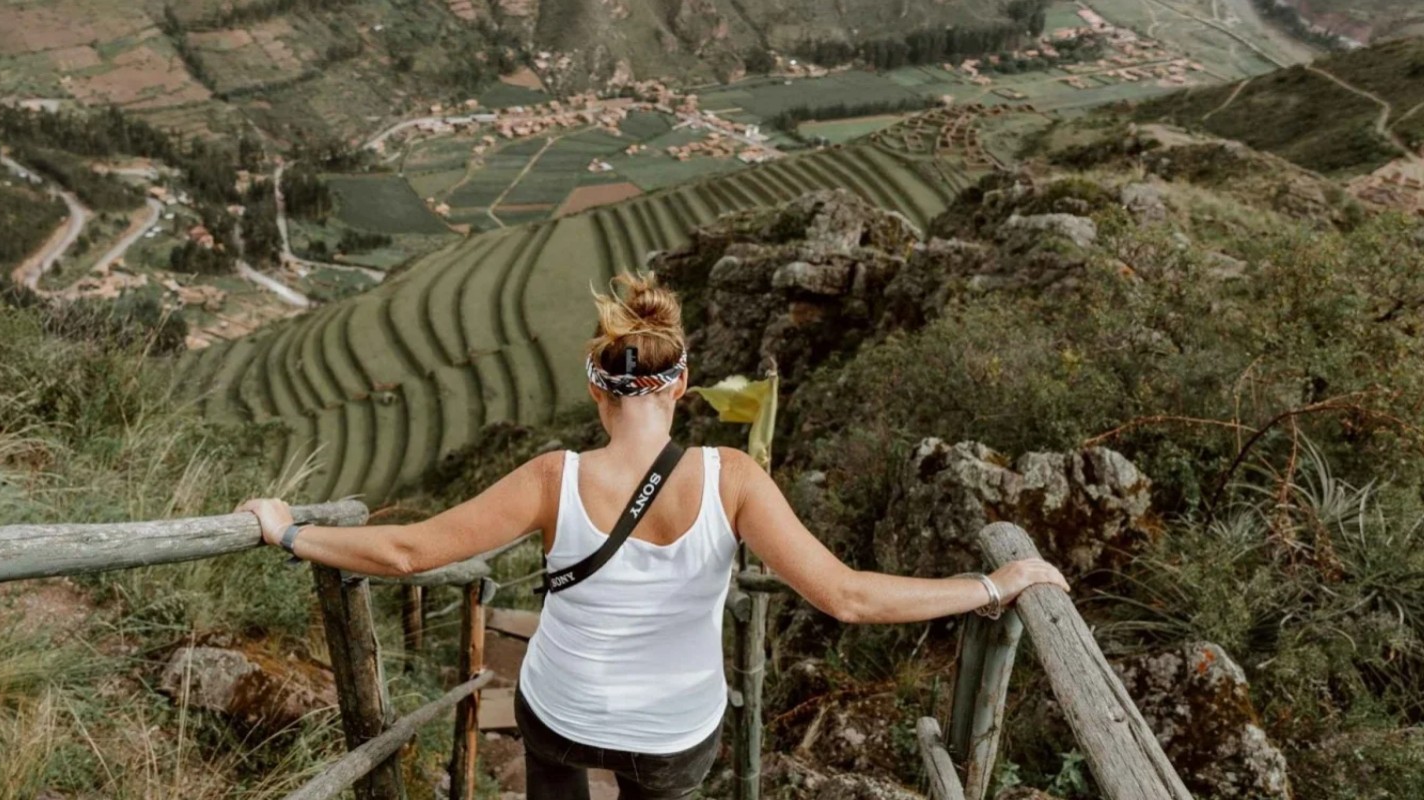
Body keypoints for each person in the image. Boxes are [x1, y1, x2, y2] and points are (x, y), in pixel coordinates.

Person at [236, 272, 1069, 800]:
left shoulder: (550, 478)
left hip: (560, 711)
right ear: (680, 388)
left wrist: (289, 531)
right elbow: (845, 597)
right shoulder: (730, 479)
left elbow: (408, 552)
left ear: (597, 392)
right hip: (675, 733)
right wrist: (993, 587)